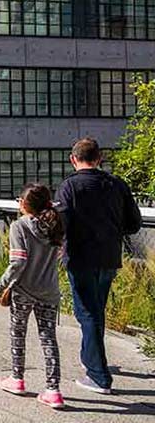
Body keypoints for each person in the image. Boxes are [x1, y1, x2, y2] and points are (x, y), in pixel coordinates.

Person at [55, 138, 142, 395]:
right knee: (96, 311)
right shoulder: (117, 185)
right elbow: (134, 223)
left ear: (73, 159)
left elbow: (61, 224)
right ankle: (90, 358)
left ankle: (99, 376)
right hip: (109, 257)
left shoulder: (69, 187)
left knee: (87, 314)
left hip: (80, 258)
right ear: (99, 158)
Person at [0, 183, 66, 410]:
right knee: (48, 338)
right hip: (49, 290)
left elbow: (17, 263)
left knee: (18, 334)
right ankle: (53, 391)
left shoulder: (19, 227)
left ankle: (17, 379)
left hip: (23, 290)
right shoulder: (55, 225)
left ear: (24, 204)